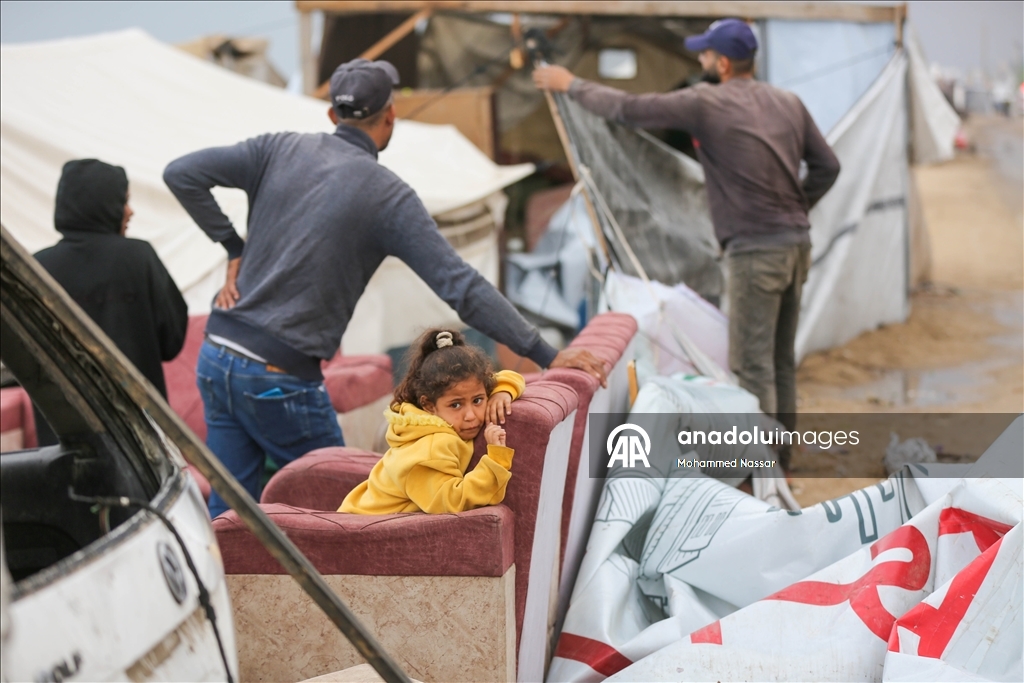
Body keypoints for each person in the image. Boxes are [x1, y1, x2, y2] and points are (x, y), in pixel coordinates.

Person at [163, 58, 606, 518]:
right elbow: (461, 287)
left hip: (216, 356)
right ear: (390, 116)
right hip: (279, 375)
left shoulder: (276, 148)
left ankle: (221, 591)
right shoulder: (387, 196)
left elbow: (181, 173)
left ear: (333, 116)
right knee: (343, 511)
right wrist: (546, 354)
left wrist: (233, 246)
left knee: (230, 506)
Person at [533, 19, 841, 468]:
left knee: (753, 366)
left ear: (721, 62)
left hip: (755, 252)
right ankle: (782, 459)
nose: (699, 60)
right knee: (778, 360)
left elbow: (629, 109)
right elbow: (828, 166)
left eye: (704, 54)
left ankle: (762, 469)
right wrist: (794, 207)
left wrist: (570, 84)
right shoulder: (788, 101)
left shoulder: (706, 102)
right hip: (796, 246)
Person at [34, 159, 188, 444]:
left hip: (63, 440)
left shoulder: (36, 268)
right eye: (123, 202)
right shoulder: (139, 258)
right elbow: (171, 341)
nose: (130, 212)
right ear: (103, 204)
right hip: (139, 442)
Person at [341, 328, 523, 514]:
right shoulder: (432, 447)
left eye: (477, 400)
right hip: (362, 531)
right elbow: (451, 502)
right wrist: (496, 460)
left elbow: (509, 376)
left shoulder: (437, 417)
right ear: (429, 405)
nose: (471, 415)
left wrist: (502, 391)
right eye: (456, 405)